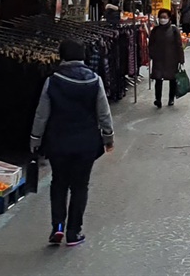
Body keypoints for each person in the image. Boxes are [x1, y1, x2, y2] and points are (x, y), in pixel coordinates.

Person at [29, 39, 115, 247]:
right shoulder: (94, 80)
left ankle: (57, 227)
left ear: (62, 57)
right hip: (86, 143)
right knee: (80, 186)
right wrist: (108, 137)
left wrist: (35, 139)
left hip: (58, 141)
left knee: (58, 183)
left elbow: (42, 114)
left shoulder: (53, 80)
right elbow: (103, 113)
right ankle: (73, 232)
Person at [148, 8, 185, 108]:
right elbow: (151, 44)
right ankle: (158, 99)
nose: (162, 19)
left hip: (171, 59)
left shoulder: (174, 30)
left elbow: (179, 45)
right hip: (158, 58)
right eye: (161, 17)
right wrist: (151, 55)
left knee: (172, 79)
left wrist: (181, 59)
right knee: (158, 79)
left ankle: (171, 99)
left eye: (164, 17)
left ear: (169, 18)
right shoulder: (155, 31)